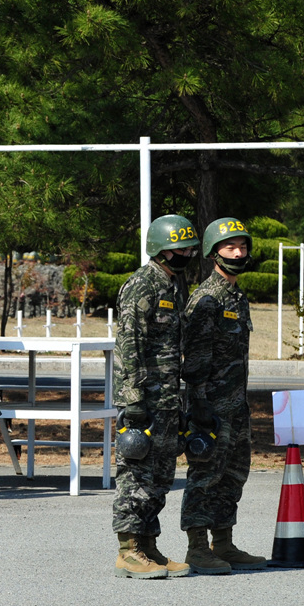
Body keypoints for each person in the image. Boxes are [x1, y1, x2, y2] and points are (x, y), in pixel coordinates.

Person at [110, 214, 198, 579]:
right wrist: (132, 399)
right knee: (136, 476)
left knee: (161, 476)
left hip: (167, 399)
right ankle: (128, 550)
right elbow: (128, 343)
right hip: (143, 401)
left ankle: (148, 545)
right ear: (160, 250)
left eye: (190, 249)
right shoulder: (142, 285)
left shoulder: (173, 286)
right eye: (179, 249)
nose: (186, 254)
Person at [180, 218, 266, 574]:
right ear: (214, 253)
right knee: (205, 475)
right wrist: (198, 404)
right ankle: (197, 547)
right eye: (230, 247)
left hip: (236, 405)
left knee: (234, 474)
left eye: (243, 247)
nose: (239, 253)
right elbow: (195, 358)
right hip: (210, 406)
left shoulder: (236, 296)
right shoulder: (207, 298)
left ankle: (224, 542)